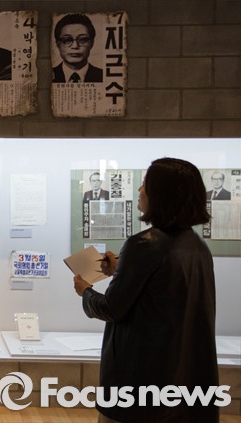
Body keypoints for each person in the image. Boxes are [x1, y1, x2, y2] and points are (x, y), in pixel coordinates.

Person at [73, 158, 218, 422]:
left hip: (140, 383)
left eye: (144, 184)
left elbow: (111, 308)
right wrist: (120, 270)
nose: (139, 190)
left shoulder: (144, 244)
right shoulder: (197, 246)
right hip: (181, 384)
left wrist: (86, 291)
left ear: (160, 194)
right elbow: (162, 290)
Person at [52, 14, 103, 83]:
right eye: (67, 40)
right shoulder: (46, 75)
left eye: (82, 40)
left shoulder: (103, 76)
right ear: (58, 44)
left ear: (91, 43)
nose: (75, 46)